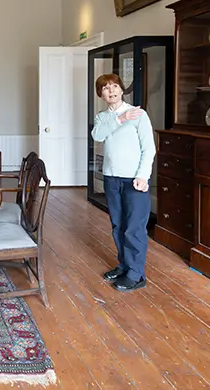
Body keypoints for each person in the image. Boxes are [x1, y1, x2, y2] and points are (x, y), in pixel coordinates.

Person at [91, 73, 156, 292]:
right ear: (101, 94)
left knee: (134, 228)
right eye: (106, 88)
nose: (111, 91)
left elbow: (149, 148)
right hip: (112, 178)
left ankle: (136, 274)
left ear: (121, 89)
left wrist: (142, 176)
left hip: (134, 179)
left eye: (115, 86)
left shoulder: (139, 114)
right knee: (118, 225)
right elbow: (98, 136)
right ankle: (124, 266)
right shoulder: (102, 117)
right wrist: (120, 119)